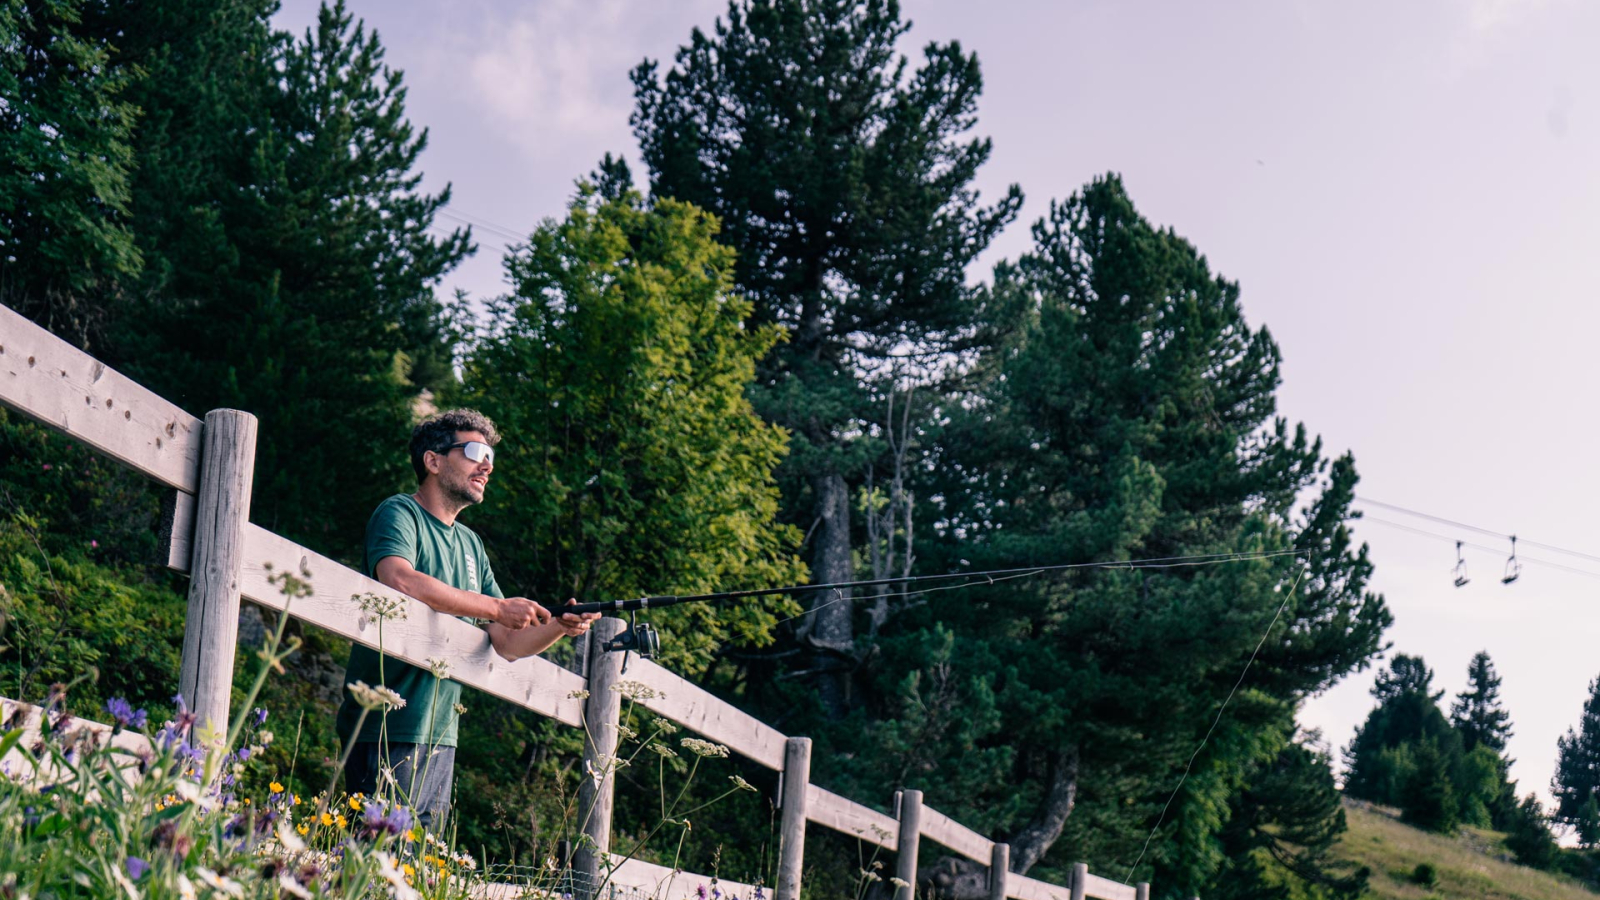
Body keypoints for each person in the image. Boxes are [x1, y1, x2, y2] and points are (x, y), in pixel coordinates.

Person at [335, 408, 598, 827]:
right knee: (369, 866)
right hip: (384, 724)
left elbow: (508, 642)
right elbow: (399, 578)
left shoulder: (471, 545)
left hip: (440, 733)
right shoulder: (400, 512)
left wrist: (557, 627)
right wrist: (496, 606)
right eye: (475, 451)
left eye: (491, 456)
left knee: (416, 873)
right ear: (433, 461)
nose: (487, 465)